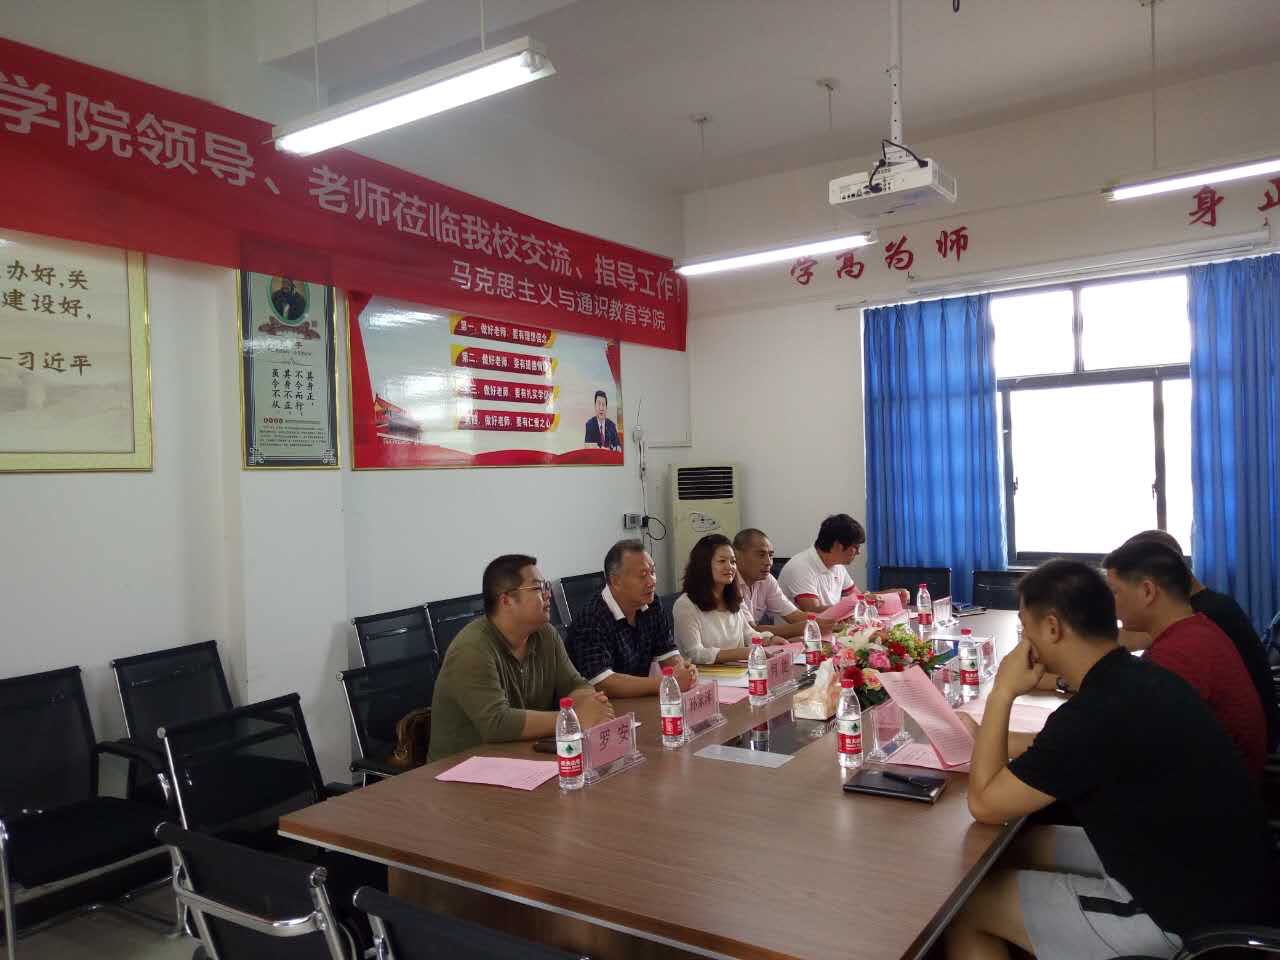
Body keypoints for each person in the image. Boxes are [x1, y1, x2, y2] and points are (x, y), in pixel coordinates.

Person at [946, 560, 1270, 960]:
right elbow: (1059, 755)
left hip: (1185, 920)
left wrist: (1002, 693)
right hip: (1220, 874)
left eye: (1025, 630)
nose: (1023, 643)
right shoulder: (1139, 677)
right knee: (1019, 846)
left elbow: (985, 804)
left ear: (1052, 628)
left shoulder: (1095, 713)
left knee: (966, 907)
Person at [1103, 539, 1266, 780]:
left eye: (1116, 592)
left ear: (1147, 591)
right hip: (1221, 783)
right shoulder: (1196, 629)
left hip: (1212, 794)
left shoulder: (1179, 653)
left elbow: (1129, 740)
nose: (1111, 603)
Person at [428, 554, 612, 762]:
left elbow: (574, 685)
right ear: (506, 600)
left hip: (519, 757)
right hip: (459, 769)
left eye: (546, 586)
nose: (548, 594)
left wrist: (591, 704)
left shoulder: (546, 635)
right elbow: (497, 723)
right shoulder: (472, 648)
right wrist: (573, 718)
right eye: (537, 588)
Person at [564, 539, 698, 698]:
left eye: (652, 572)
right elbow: (603, 683)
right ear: (616, 581)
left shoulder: (652, 603)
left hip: (637, 700)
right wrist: (666, 682)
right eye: (642, 575)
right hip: (603, 705)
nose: (652, 582)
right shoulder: (591, 618)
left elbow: (667, 652)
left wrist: (683, 670)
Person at [673, 534, 783, 664]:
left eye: (733, 561)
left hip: (738, 671)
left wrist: (769, 639)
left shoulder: (733, 598)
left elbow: (748, 634)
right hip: (704, 674)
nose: (730, 567)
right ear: (703, 565)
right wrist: (738, 654)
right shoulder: (685, 605)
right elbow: (694, 653)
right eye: (722, 561)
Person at [732, 528, 843, 638]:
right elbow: (751, 630)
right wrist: (805, 627)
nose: (768, 562)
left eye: (770, 555)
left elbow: (794, 615)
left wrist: (833, 621)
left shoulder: (767, 580)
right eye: (761, 555)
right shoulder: (729, 583)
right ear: (737, 555)